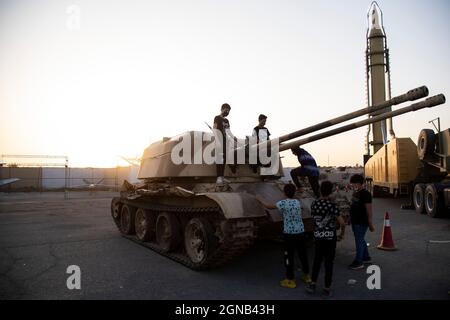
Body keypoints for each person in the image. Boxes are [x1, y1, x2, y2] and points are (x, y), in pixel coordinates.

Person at [257, 183, 311, 289]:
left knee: (289, 256)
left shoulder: (283, 203)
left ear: (284, 193)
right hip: (300, 232)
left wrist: (259, 199)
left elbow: (269, 206)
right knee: (302, 254)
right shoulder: (297, 202)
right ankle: (307, 276)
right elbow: (301, 209)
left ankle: (290, 280)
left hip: (289, 234)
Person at [306, 181, 345, 298]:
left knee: (317, 260)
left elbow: (314, 220)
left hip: (318, 236)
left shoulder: (314, 204)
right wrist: (342, 234)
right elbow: (342, 223)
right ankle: (327, 288)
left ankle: (312, 284)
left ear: (320, 190)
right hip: (330, 237)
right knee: (329, 262)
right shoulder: (332, 205)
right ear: (331, 191)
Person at [348, 174, 375, 270]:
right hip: (355, 221)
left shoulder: (366, 194)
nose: (352, 185)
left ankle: (359, 262)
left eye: (353, 184)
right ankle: (366, 257)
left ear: (358, 183)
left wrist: (370, 223)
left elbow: (369, 210)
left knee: (358, 240)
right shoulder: (356, 192)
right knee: (360, 239)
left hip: (361, 222)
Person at [213, 103, 235, 184]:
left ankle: (222, 176)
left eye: (229, 111)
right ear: (222, 109)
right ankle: (218, 177)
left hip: (226, 142)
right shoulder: (217, 118)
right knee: (219, 159)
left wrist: (234, 138)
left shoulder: (227, 121)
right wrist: (217, 141)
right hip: (219, 140)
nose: (227, 112)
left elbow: (228, 131)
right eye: (226, 110)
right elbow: (214, 129)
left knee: (224, 159)